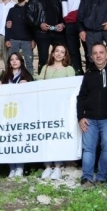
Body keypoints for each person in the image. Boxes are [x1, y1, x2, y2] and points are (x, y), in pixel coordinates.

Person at [76, 43, 107, 188]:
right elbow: (81, 96)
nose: (98, 55)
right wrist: (80, 117)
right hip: (89, 118)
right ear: (91, 56)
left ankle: (101, 178)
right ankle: (87, 178)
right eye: (95, 53)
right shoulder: (89, 74)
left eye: (101, 52)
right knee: (88, 148)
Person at [37, 44, 76, 180]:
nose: (59, 54)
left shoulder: (68, 69)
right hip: (46, 108)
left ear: (65, 55)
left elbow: (72, 88)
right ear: (52, 53)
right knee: (46, 136)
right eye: (57, 51)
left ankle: (58, 166)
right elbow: (39, 83)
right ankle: (47, 166)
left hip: (61, 109)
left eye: (62, 52)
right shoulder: (45, 68)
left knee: (58, 136)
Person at [0, 52, 35, 178]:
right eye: (11, 59)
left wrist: (28, 85)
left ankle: (20, 167)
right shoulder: (5, 76)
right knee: (8, 141)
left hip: (22, 113)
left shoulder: (26, 75)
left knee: (19, 140)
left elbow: (34, 93)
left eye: (16, 59)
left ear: (21, 61)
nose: (14, 61)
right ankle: (11, 168)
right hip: (7, 114)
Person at [26, 0, 66, 74]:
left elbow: (65, 16)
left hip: (57, 34)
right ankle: (42, 80)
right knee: (43, 59)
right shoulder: (34, 0)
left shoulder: (58, 0)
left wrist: (63, 25)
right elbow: (28, 17)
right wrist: (39, 24)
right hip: (41, 34)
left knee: (61, 57)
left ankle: (60, 77)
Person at [61, 0, 90, 74]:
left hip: (85, 24)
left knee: (88, 48)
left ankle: (90, 71)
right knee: (73, 51)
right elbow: (65, 12)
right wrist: (68, 23)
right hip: (71, 24)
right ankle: (78, 72)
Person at [5, 0, 36, 74]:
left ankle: (30, 82)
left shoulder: (30, 8)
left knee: (29, 63)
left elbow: (34, 25)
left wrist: (34, 39)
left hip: (27, 41)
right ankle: (11, 81)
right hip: (13, 40)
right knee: (11, 63)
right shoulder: (12, 10)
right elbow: (8, 25)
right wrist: (7, 39)